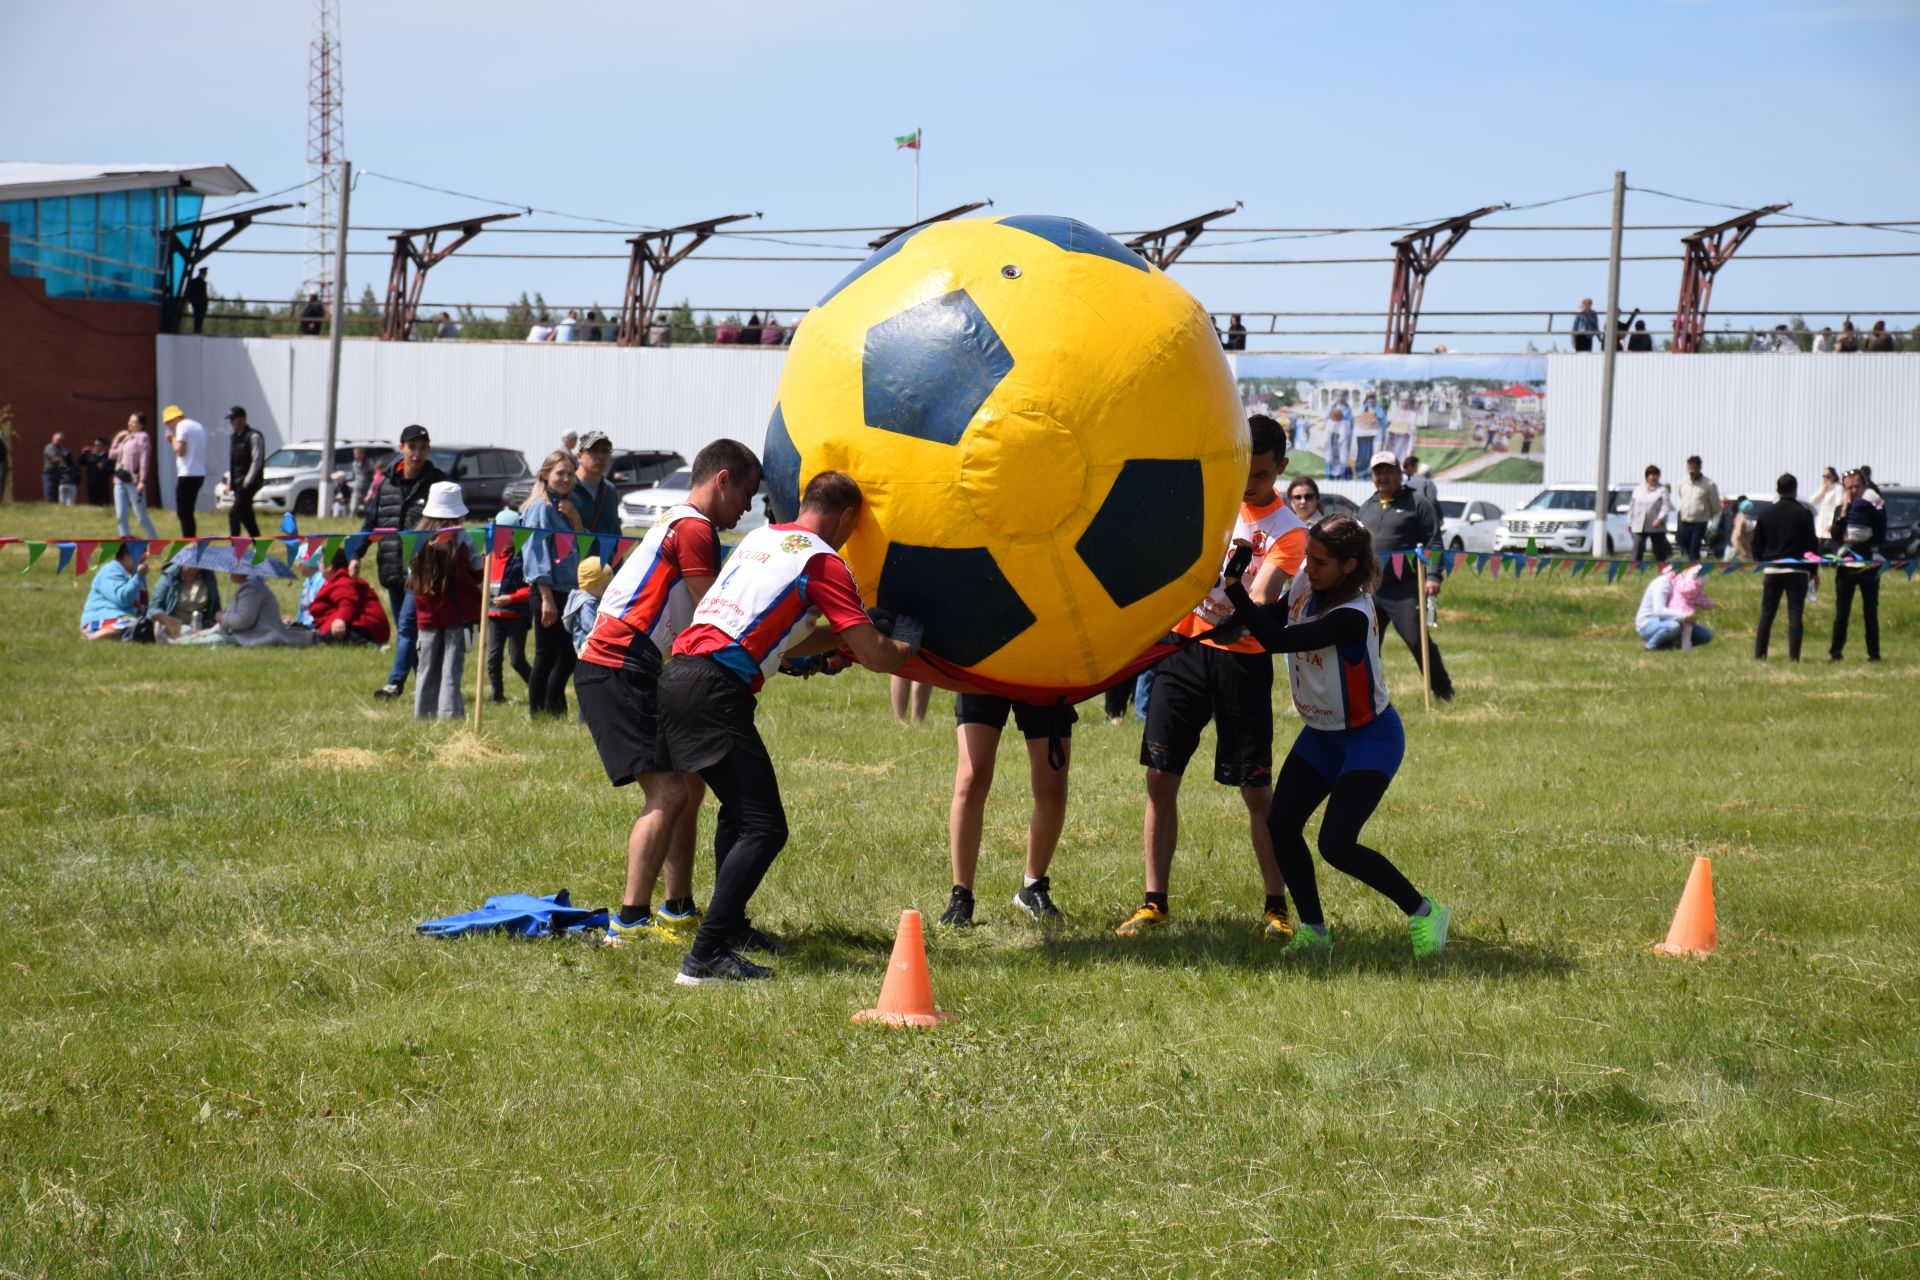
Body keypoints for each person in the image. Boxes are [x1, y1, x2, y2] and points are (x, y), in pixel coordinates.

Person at [656, 470, 921, 984]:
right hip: (714, 690)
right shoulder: (823, 561)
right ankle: (704, 955)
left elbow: (778, 635)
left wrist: (834, 644)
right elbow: (877, 656)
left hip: (680, 676)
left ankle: (729, 928)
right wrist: (904, 642)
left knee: (737, 814)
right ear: (846, 517)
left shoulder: (760, 539)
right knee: (765, 826)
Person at [1216, 517, 1452, 959]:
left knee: (1337, 844)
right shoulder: (1309, 580)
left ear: (1349, 565)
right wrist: (1223, 624)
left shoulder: (1354, 615)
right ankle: (1315, 931)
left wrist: (1233, 588)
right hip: (1322, 735)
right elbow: (1274, 615)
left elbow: (1276, 638)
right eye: (1308, 555)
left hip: (1370, 737)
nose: (1309, 566)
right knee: (1282, 826)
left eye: (1321, 561)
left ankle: (1425, 912)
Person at [1117, 414, 1304, 940]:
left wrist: (1236, 615)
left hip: (1241, 659)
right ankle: (1155, 903)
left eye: (1262, 476)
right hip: (1182, 649)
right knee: (1159, 775)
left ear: (1282, 470)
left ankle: (1276, 907)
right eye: (1244, 470)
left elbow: (1263, 596)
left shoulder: (1290, 532)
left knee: (1255, 788)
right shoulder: (1207, 500)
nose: (1249, 485)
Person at [577, 439, 763, 946]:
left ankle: (677, 909)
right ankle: (629, 922)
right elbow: (716, 613)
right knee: (669, 791)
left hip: (629, 662)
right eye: (746, 493)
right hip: (617, 663)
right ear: (722, 479)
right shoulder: (695, 528)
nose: (749, 507)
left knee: (690, 781)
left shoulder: (683, 523)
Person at [940, 691, 1075, 928]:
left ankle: (1032, 887)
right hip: (984, 663)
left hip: (1045, 668)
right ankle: (960, 897)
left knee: (1052, 792)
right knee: (972, 778)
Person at [355, 424, 447, 699]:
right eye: (412, 447)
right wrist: (356, 555)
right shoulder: (386, 482)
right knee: (406, 630)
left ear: (428, 449)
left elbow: (450, 526)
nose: (417, 453)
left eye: (422, 447)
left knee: (408, 627)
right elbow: (371, 522)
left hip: (422, 569)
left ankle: (394, 684)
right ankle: (426, 683)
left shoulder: (437, 483)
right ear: (401, 448)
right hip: (391, 565)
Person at [1355, 450, 1454, 701]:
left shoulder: (1417, 502)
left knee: (1417, 640)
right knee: (1364, 646)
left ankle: (1443, 691)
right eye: (1379, 472)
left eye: (1389, 471)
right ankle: (1365, 696)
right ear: (1372, 476)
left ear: (1400, 473)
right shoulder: (1366, 508)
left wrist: (1434, 576)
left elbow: (1433, 541)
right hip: (1370, 591)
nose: (1383, 476)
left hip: (1404, 590)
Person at [408, 483, 483, 721]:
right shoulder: (464, 538)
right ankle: (449, 716)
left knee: (426, 668)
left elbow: (411, 577)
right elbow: (477, 572)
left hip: (427, 616)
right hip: (456, 614)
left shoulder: (415, 540)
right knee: (451, 669)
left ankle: (424, 715)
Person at [520, 449, 584, 718]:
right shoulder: (540, 509)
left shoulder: (564, 508)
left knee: (568, 655)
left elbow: (582, 545)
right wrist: (545, 597)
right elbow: (535, 553)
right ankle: (538, 713)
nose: (567, 478)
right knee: (546, 655)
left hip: (568, 589)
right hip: (548, 590)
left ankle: (554, 706)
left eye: (570, 474)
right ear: (546, 475)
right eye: (561, 473)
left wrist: (575, 519)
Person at [1751, 473, 1818, 662]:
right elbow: (1812, 546)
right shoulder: (1803, 513)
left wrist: (1760, 560)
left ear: (1777, 490)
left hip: (1772, 569)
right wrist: (1813, 572)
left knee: (1766, 614)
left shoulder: (1766, 513)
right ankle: (1794, 657)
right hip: (1797, 571)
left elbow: (1757, 543)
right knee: (1795, 614)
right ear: (1795, 490)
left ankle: (1760, 655)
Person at [1829, 468, 1884, 662]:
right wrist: (1843, 511)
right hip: (1846, 566)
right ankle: (1836, 652)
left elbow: (1881, 534)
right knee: (1841, 611)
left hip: (1869, 565)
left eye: (1857, 486)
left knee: (1870, 611)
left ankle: (1874, 654)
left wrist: (1860, 540)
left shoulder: (1874, 508)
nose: (1853, 490)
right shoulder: (1840, 508)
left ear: (1864, 486)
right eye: (1849, 487)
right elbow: (1835, 535)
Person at [484, 508, 533, 702]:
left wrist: (512, 598)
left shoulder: (523, 557)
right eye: (502, 532)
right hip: (494, 616)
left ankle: (537, 688)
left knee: (517, 660)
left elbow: (533, 589)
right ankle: (497, 697)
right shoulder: (490, 555)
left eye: (511, 533)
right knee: (492, 659)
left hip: (516, 615)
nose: (507, 537)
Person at [81, 545, 170, 640]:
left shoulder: (136, 574)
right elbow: (124, 599)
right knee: (129, 626)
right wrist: (138, 576)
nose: (145, 557)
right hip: (100, 619)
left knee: (146, 627)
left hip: (125, 619)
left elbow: (141, 606)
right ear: (127, 556)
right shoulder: (111, 570)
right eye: (141, 552)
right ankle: (93, 638)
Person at [307, 551, 390, 645]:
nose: (318, 565)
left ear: (329, 566)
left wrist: (340, 619)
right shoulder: (335, 580)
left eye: (320, 562)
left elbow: (347, 603)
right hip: (360, 625)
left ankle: (372, 645)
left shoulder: (343, 580)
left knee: (326, 637)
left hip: (367, 627)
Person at [1634, 566, 1713, 651]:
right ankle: (1650, 647)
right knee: (1673, 626)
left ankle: (1670, 646)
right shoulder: (1663, 582)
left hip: (1675, 621)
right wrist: (1685, 617)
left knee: (1706, 635)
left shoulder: (1683, 584)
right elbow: (1659, 611)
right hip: (1648, 624)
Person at [566, 430, 623, 544]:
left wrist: (618, 560)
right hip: (574, 560)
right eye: (593, 450)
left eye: (605, 451)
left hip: (605, 560)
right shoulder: (566, 486)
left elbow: (615, 533)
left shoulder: (610, 489)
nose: (600, 456)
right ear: (579, 456)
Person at [108, 415, 159, 539]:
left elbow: (144, 460)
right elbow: (111, 455)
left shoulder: (143, 437)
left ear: (141, 425)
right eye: (129, 421)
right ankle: (125, 542)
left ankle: (154, 541)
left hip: (134, 481)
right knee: (121, 515)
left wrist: (142, 481)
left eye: (134, 422)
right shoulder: (125, 438)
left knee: (141, 516)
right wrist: (117, 438)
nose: (130, 424)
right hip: (120, 480)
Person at [161, 406, 207, 538]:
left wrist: (172, 439)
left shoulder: (182, 426)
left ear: (174, 418)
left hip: (188, 473)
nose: (170, 427)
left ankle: (188, 539)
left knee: (183, 511)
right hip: (198, 473)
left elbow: (180, 450)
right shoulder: (197, 425)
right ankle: (190, 538)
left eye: (169, 423)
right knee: (188, 510)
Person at [223, 406, 265, 538]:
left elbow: (257, 460)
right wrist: (230, 482)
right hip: (237, 482)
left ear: (242, 419)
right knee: (246, 516)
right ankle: (259, 546)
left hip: (248, 483)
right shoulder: (234, 438)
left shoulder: (253, 436)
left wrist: (248, 480)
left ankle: (234, 549)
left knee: (234, 513)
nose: (231, 422)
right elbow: (234, 463)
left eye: (233, 419)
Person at [1674, 455, 1720, 563]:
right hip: (1684, 520)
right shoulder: (1682, 483)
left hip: (1700, 521)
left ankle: (1694, 566)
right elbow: (1680, 497)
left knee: (1694, 545)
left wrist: (1710, 516)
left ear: (1699, 468)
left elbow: (1715, 504)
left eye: (1694, 468)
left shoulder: (1709, 484)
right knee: (1684, 543)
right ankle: (1692, 561)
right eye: (1689, 468)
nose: (1691, 471)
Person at [565, 555, 612, 654]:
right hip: (587, 650)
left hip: (594, 649)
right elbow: (590, 626)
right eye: (604, 587)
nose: (608, 591)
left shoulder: (595, 598)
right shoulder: (587, 603)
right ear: (590, 586)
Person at [1628, 465, 1672, 562]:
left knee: (1659, 550)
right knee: (1637, 547)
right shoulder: (1638, 489)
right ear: (1647, 476)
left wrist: (1660, 519)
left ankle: (1663, 569)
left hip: (1656, 525)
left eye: (1656, 475)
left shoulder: (1662, 490)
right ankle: (1635, 568)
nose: (1654, 477)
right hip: (1639, 524)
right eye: (1652, 475)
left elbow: (1665, 507)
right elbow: (1632, 507)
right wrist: (1629, 522)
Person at [1810, 466, 1845, 555]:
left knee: (1830, 547)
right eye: (1824, 476)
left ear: (1834, 476)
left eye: (1828, 476)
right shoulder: (1824, 488)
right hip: (1821, 523)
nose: (1825, 479)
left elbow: (1838, 505)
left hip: (1830, 522)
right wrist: (1823, 491)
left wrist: (1832, 523)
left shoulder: (1838, 488)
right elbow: (1812, 501)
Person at [1323, 393, 1352, 480]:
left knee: (1342, 460)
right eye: (1338, 397)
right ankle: (1331, 476)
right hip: (1332, 442)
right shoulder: (1331, 411)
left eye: (1341, 397)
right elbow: (1327, 416)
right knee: (1331, 459)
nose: (1340, 399)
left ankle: (1342, 476)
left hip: (1341, 443)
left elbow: (1349, 423)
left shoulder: (1346, 419)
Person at [79, 437, 113, 506]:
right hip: (91, 480)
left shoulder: (108, 456)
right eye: (95, 445)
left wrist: (104, 468)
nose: (96, 447)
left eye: (98, 445)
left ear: (103, 446)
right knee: (92, 498)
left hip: (103, 482)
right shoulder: (90, 455)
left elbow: (112, 469)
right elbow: (81, 463)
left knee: (103, 499)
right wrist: (83, 454)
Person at [42, 433, 75, 504]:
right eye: (59, 440)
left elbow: (70, 461)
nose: (61, 442)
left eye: (63, 440)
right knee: (50, 492)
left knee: (58, 495)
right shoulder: (50, 447)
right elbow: (54, 459)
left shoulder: (63, 449)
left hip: (60, 473)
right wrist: (65, 459)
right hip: (50, 473)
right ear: (53, 439)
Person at [349, 447, 376, 516]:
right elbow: (354, 477)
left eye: (358, 454)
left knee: (368, 508)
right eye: (355, 454)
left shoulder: (369, 463)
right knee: (353, 507)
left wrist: (371, 489)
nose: (356, 456)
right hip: (357, 489)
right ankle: (351, 520)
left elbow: (374, 478)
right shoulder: (354, 464)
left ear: (363, 454)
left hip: (367, 489)